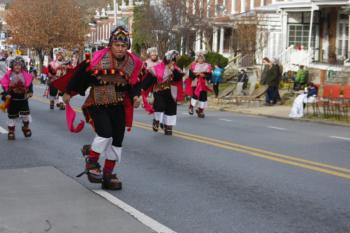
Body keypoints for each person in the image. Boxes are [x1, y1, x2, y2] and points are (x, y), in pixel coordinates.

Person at [59, 24, 143, 190]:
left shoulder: (133, 63)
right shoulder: (97, 59)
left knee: (117, 141)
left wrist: (135, 96)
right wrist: (69, 91)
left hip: (118, 105)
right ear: (111, 45)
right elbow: (80, 75)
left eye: (123, 46)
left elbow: (134, 83)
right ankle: (91, 161)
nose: (120, 49)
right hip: (97, 103)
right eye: (117, 45)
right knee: (105, 134)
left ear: (127, 47)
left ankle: (108, 174)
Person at [141, 50, 184, 136]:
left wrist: (173, 71)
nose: (172, 62)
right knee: (160, 106)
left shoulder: (175, 69)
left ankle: (168, 126)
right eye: (171, 60)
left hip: (171, 91)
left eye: (174, 60)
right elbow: (150, 78)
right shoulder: (158, 67)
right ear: (167, 60)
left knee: (171, 109)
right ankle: (156, 120)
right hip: (159, 90)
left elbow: (178, 78)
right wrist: (142, 88)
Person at [0, 57, 33, 140]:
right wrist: (6, 94)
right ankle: (11, 132)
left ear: (22, 66)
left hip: (23, 99)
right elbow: (4, 86)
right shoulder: (8, 75)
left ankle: (25, 128)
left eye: (19, 65)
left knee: (25, 115)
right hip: (12, 99)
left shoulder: (26, 75)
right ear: (12, 66)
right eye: (15, 65)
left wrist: (30, 92)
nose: (17, 67)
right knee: (12, 117)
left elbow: (30, 85)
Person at [185, 51, 212, 118]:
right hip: (196, 82)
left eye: (201, 58)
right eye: (199, 58)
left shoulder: (207, 65)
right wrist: (197, 74)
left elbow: (209, 74)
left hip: (203, 83)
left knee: (203, 97)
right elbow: (191, 75)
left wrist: (204, 75)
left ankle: (200, 110)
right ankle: (191, 107)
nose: (200, 60)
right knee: (195, 95)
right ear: (197, 59)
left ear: (203, 59)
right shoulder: (194, 65)